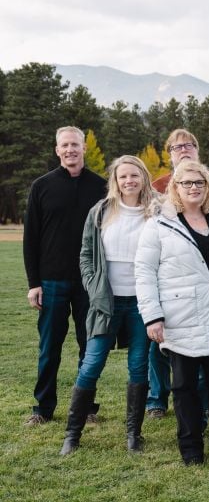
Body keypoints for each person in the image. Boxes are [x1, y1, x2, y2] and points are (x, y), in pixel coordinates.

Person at [135, 161, 209, 465]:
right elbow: (144, 272)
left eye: (199, 182)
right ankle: (191, 451)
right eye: (187, 183)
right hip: (180, 318)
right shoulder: (159, 226)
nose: (194, 188)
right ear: (175, 187)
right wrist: (153, 315)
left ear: (207, 186)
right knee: (184, 388)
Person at [60, 155, 156, 454]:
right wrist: (92, 285)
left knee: (139, 367)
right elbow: (86, 254)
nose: (129, 181)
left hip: (142, 303)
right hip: (106, 301)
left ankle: (133, 435)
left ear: (143, 178)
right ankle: (72, 436)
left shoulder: (155, 211)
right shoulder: (101, 211)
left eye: (134, 175)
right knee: (92, 364)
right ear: (115, 181)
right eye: (123, 176)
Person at [23, 126, 107, 426]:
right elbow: (30, 238)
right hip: (51, 281)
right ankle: (43, 408)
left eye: (75, 144)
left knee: (90, 346)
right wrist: (34, 284)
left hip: (89, 281)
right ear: (57, 150)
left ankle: (87, 408)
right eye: (64, 145)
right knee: (49, 347)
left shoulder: (101, 187)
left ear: (84, 148)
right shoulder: (42, 186)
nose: (70, 150)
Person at [146, 128, 201, 419]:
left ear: (197, 151)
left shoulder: (208, 184)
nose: (183, 149)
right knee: (158, 342)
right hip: (166, 273)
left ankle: (201, 399)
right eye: (177, 146)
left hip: (200, 275)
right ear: (169, 155)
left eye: (189, 145)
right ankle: (156, 399)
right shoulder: (157, 187)